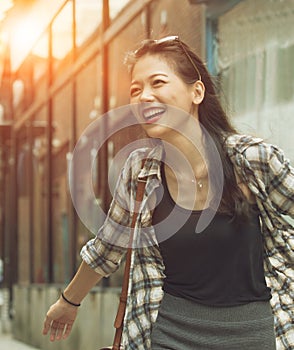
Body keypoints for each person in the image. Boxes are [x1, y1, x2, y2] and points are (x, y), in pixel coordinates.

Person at [42, 36, 294, 350]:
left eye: (157, 83)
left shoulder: (253, 161)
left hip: (253, 335)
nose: (144, 96)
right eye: (135, 89)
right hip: (169, 335)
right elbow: (109, 245)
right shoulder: (140, 171)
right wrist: (69, 301)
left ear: (196, 92)